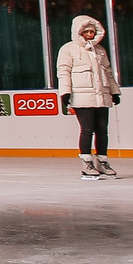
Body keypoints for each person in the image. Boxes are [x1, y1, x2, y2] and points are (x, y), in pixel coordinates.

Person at [55, 13, 121, 179]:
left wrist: (114, 91)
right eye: (86, 32)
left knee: (102, 130)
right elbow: (63, 72)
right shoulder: (68, 49)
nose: (90, 35)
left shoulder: (99, 50)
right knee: (87, 129)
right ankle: (86, 162)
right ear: (78, 32)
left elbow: (108, 72)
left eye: (92, 31)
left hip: (101, 96)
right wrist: (65, 92)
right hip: (81, 97)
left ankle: (102, 161)